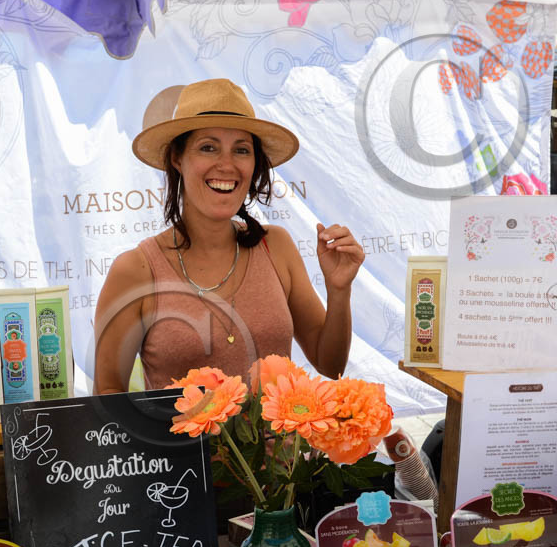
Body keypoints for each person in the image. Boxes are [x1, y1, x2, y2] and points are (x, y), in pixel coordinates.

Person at [93, 79, 364, 394]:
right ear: (177, 159)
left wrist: (339, 290)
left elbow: (330, 365)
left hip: (283, 445)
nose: (227, 164)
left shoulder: (276, 246)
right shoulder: (135, 270)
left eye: (242, 150)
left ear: (254, 164)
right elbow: (107, 401)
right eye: (208, 147)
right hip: (179, 446)